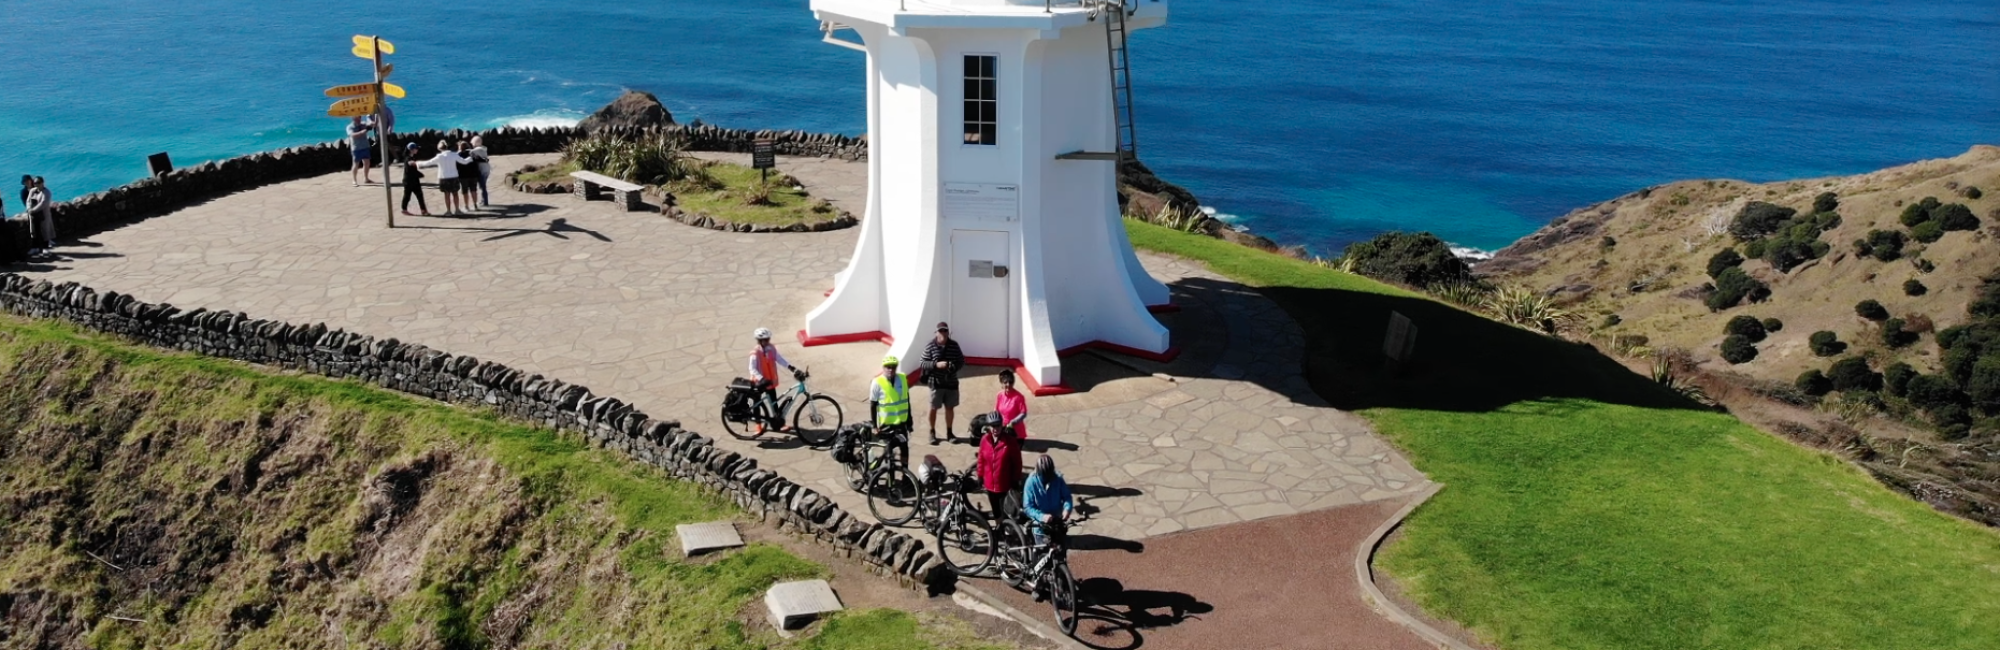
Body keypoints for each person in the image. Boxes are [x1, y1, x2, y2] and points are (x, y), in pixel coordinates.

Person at [974, 399, 1026, 527]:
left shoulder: (1010, 442)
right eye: (993, 426)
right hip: (989, 484)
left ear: (1002, 425)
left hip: (1005, 484)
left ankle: (1008, 530)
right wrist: (979, 475)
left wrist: (1016, 479)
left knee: (1007, 512)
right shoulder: (984, 440)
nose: (995, 428)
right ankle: (999, 529)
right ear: (989, 427)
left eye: (998, 425)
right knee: (996, 512)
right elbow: (981, 459)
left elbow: (1017, 462)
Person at [921, 321, 966, 445]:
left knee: (950, 408)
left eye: (945, 330)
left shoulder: (954, 345)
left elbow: (961, 361)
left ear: (948, 332)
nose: (943, 333)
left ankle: (949, 432)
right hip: (936, 383)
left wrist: (953, 367)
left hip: (951, 382)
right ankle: (932, 432)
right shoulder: (930, 346)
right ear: (936, 333)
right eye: (940, 331)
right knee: (933, 408)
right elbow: (923, 362)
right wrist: (936, 365)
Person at [745, 328, 797, 432]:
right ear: (759, 340)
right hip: (759, 382)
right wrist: (761, 378)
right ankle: (758, 425)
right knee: (757, 403)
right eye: (765, 340)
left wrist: (790, 367)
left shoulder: (771, 348)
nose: (767, 341)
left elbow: (779, 358)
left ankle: (778, 423)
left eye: (768, 339)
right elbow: (752, 368)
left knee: (774, 402)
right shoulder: (755, 353)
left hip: (769, 382)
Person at [869, 355, 913, 466]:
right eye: (888, 367)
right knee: (888, 449)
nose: (890, 369)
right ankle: (888, 471)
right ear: (883, 367)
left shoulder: (902, 379)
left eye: (893, 367)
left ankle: (905, 472)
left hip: (901, 422)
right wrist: (874, 426)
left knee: (904, 446)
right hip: (886, 424)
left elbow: (907, 400)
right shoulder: (877, 382)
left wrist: (909, 420)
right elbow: (873, 405)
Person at [1021, 454, 1073, 546]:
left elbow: (1067, 497)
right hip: (1040, 527)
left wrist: (1067, 509)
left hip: (1057, 522)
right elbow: (1028, 507)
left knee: (1060, 549)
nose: (1047, 479)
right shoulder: (1031, 482)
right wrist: (1042, 516)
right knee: (1043, 551)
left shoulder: (1058, 479)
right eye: (1044, 475)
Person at [415, 139, 471, 215]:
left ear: (440, 148)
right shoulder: (454, 155)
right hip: (454, 177)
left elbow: (428, 162)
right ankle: (457, 210)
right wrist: (470, 158)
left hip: (443, 177)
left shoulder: (439, 156)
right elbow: (464, 162)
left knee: (446, 195)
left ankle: (448, 211)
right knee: (455, 194)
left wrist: (418, 163)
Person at [23, 176, 53, 256]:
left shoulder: (46, 192)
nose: (36, 185)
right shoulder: (32, 191)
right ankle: (35, 247)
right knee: (34, 231)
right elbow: (28, 200)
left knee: (44, 231)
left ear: (42, 183)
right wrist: (29, 208)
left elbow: (43, 203)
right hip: (33, 215)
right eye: (35, 183)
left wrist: (33, 210)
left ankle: (45, 248)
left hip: (43, 215)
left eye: (38, 183)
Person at [399, 143, 430, 216]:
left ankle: (423, 210)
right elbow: (411, 165)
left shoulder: (412, 157)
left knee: (419, 195)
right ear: (411, 150)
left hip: (414, 180)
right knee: (407, 196)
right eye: (416, 148)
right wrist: (420, 171)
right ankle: (404, 209)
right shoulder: (408, 158)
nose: (417, 150)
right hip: (409, 181)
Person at [347, 117, 375, 186]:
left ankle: (366, 178)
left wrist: (372, 123)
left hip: (365, 146)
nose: (359, 119)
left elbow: (371, 124)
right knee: (355, 164)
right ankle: (354, 180)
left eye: (360, 118)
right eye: (357, 118)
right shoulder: (350, 127)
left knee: (367, 163)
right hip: (356, 148)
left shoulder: (363, 124)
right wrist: (362, 132)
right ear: (353, 119)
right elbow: (353, 135)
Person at [454, 141, 479, 209]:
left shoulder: (458, 155)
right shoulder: (472, 153)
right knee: (473, 190)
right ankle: (475, 204)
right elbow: (476, 163)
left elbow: (456, 166)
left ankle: (466, 205)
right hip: (473, 175)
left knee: (465, 191)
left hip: (463, 176)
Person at [470, 136, 493, 207]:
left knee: (482, 186)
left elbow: (469, 152)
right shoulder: (484, 148)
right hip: (487, 169)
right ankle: (484, 200)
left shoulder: (477, 150)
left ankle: (485, 201)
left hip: (482, 170)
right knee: (483, 186)